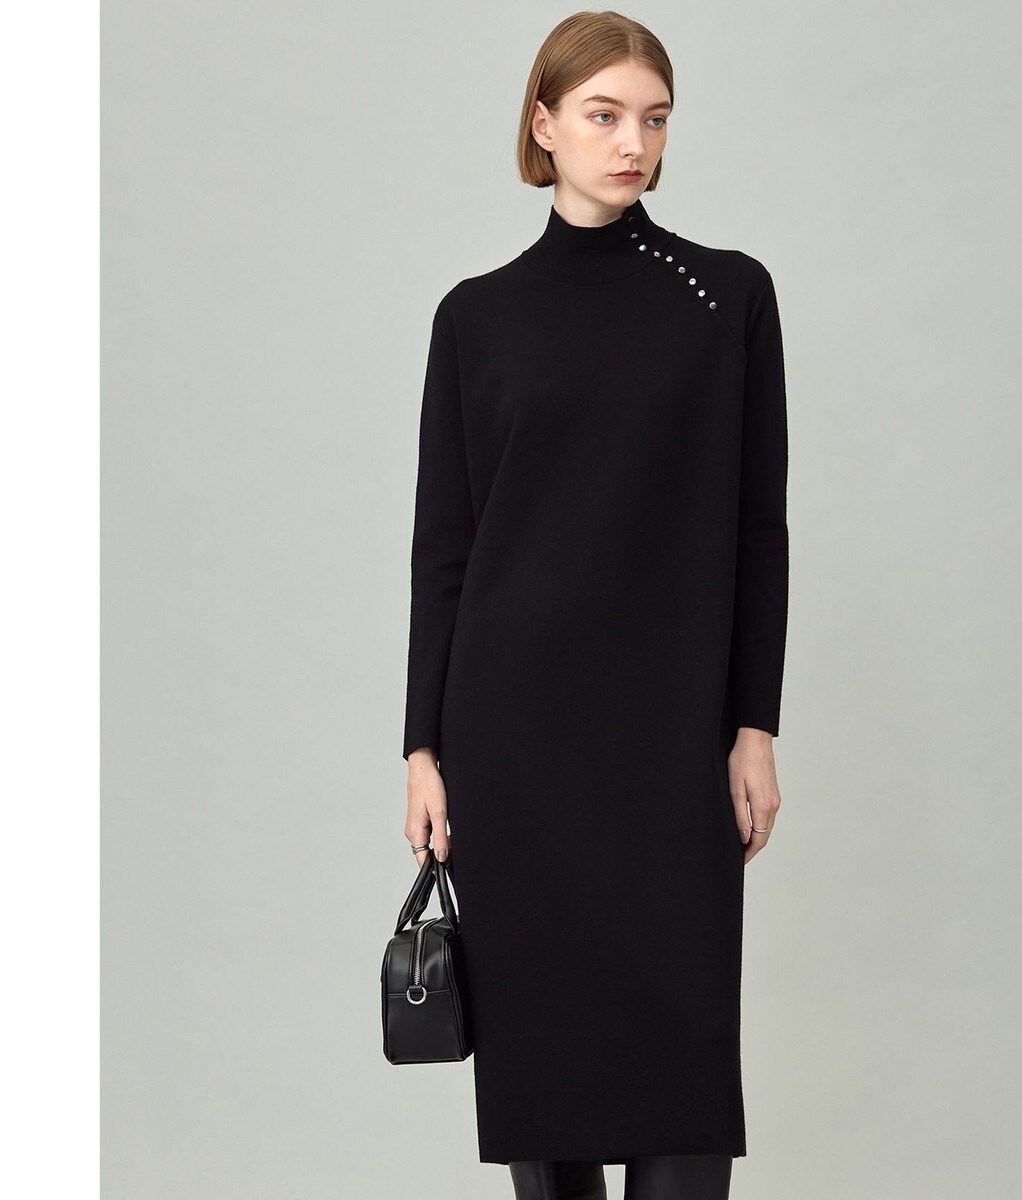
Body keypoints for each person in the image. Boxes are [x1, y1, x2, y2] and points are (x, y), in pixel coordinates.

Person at [401, 11, 788, 1199]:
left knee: (683, 1085)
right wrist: (422, 748)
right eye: (604, 115)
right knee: (546, 1091)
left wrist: (754, 726)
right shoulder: (475, 318)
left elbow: (756, 528)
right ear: (544, 124)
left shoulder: (726, 298)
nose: (633, 144)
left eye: (654, 119)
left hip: (669, 743)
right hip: (514, 747)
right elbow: (445, 549)